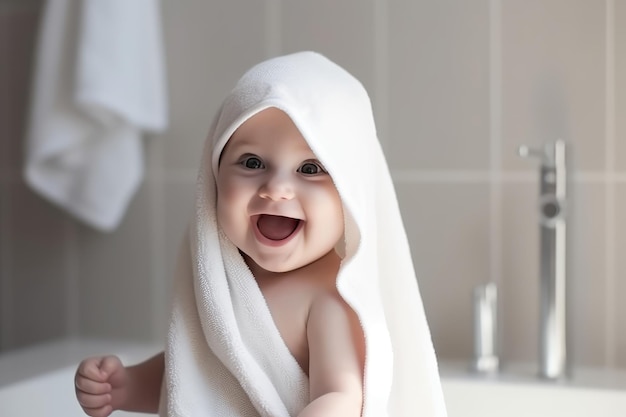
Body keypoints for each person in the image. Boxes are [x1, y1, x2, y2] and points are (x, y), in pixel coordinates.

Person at [74, 51, 447, 417]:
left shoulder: (331, 296)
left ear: (351, 194)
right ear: (214, 177)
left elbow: (341, 396)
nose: (276, 188)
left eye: (311, 168)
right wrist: (125, 386)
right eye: (252, 163)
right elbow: (196, 370)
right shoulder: (221, 279)